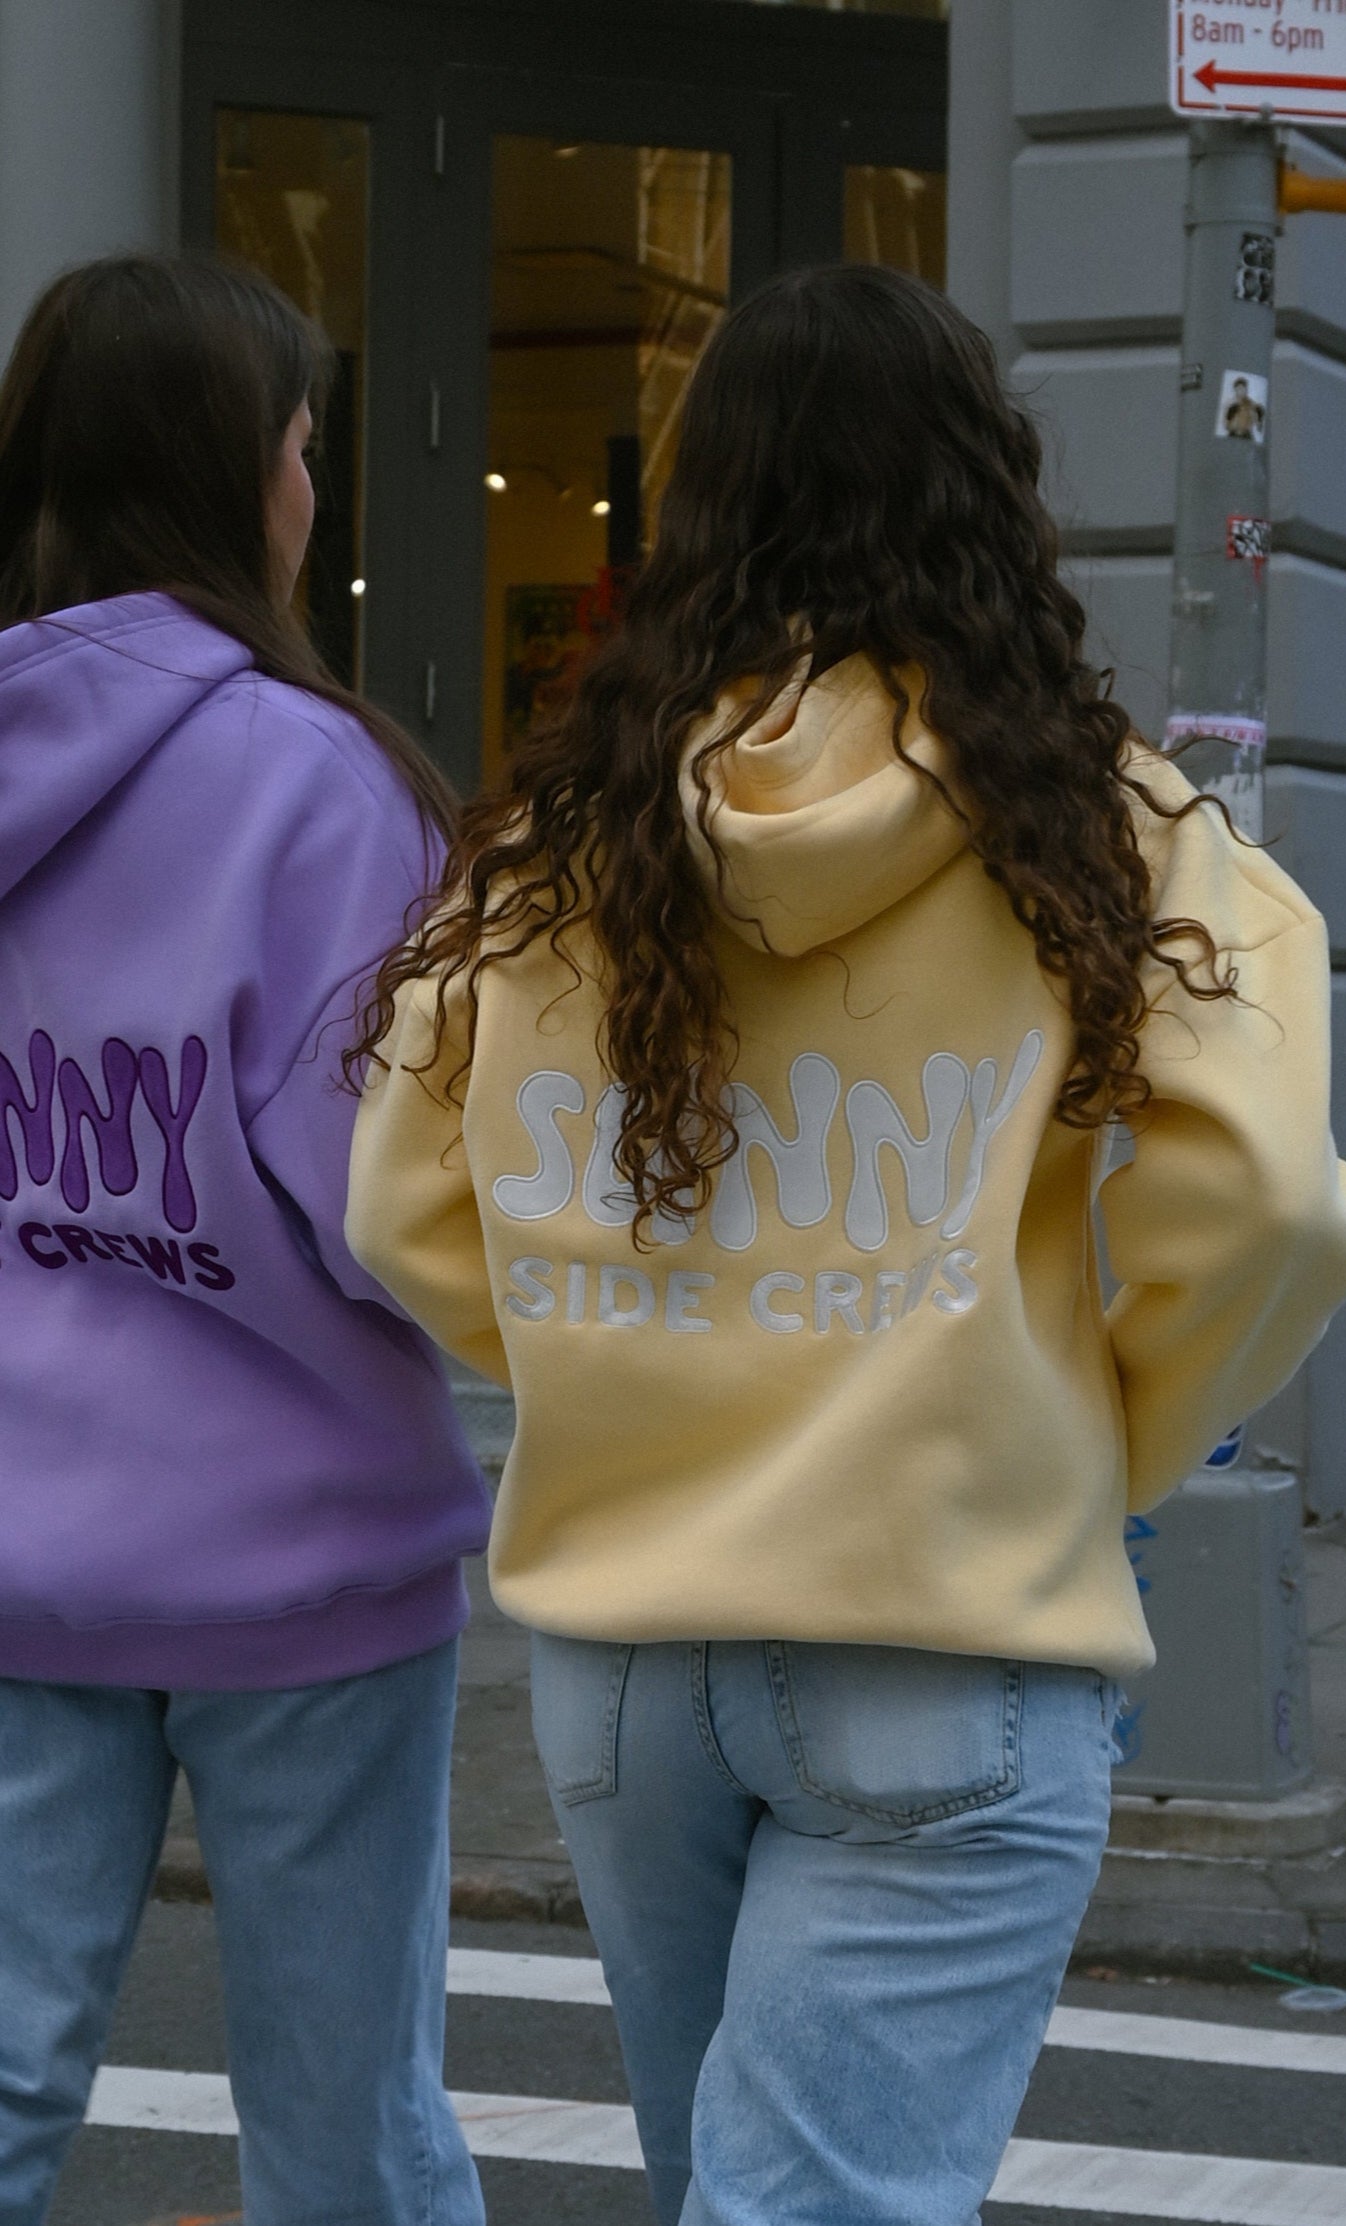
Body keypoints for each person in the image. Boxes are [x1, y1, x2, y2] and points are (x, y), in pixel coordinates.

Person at [347, 262, 1346, 2226]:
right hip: (946, 1630)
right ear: (987, 496)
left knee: (729, 2186)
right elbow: (1255, 1198)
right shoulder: (1108, 827)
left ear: (699, 506)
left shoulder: (567, 845)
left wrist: (626, 1349)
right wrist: (1100, 1432)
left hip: (626, 1650)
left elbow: (399, 1199)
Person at [0, 255, 489, 2226]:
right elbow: (394, 1209)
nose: (313, 489)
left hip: (18, 1549)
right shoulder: (318, 781)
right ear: (238, 478)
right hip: (306, 1555)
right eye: (302, 447)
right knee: (345, 2125)